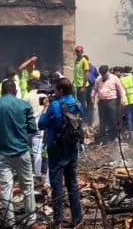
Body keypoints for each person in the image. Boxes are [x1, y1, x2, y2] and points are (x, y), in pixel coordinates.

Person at [0, 79, 38, 228]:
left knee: (6, 189)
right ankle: (31, 220)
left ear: (3, 91)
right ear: (15, 91)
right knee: (28, 187)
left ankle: (10, 223)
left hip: (3, 154)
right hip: (22, 152)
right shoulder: (24, 105)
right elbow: (32, 129)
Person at [39, 78, 84, 229]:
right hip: (72, 148)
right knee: (72, 182)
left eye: (56, 89)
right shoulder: (78, 104)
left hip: (57, 149)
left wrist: (46, 108)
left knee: (57, 185)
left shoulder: (55, 105)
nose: (54, 92)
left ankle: (58, 221)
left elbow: (41, 124)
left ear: (61, 90)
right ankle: (77, 218)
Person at [91, 65, 123, 144]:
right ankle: (102, 137)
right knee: (102, 120)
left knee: (112, 119)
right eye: (102, 74)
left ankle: (113, 137)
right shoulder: (99, 78)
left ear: (107, 72)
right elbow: (95, 88)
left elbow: (121, 90)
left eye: (104, 74)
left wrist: (123, 100)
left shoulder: (114, 78)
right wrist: (92, 97)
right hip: (101, 101)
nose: (103, 75)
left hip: (111, 100)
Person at [73, 46, 92, 123]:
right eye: (76, 51)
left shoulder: (84, 61)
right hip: (77, 85)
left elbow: (86, 74)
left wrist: (83, 86)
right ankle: (80, 118)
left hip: (83, 86)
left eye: (79, 51)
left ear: (82, 52)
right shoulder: (76, 61)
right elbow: (76, 73)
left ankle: (85, 120)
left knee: (83, 103)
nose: (77, 53)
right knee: (78, 102)